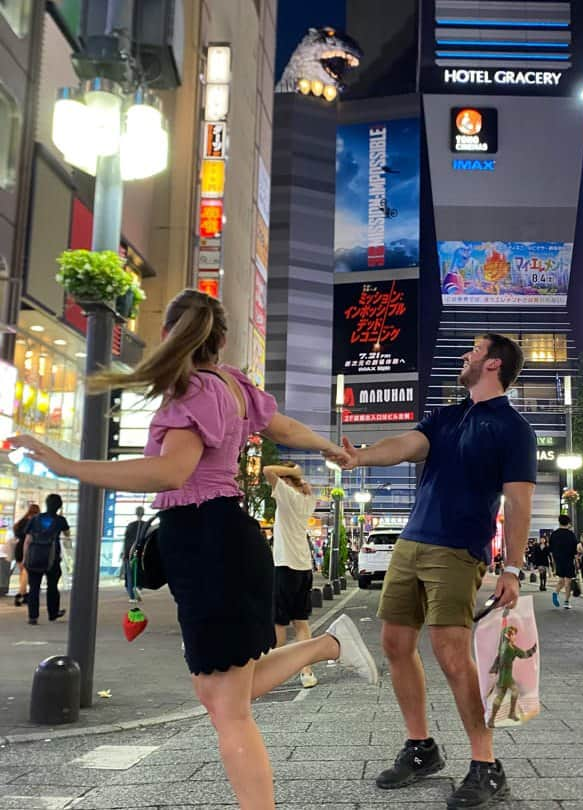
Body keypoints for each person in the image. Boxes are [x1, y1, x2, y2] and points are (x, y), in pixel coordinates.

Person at [11, 288, 378, 810]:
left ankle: (324, 655)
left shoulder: (195, 392)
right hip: (220, 538)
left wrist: (68, 466)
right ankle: (328, 644)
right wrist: (330, 446)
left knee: (228, 708)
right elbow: (285, 426)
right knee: (221, 692)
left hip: (210, 541)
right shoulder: (233, 384)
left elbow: (171, 471)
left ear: (169, 335)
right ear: (222, 340)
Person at [325, 333, 536, 809]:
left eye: (475, 350)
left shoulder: (514, 428)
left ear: (494, 364)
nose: (466, 355)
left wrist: (513, 568)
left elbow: (519, 500)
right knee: (395, 643)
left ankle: (486, 764)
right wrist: (358, 455)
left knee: (451, 652)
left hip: (457, 549)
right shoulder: (447, 415)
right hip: (412, 542)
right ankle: (421, 749)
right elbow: (406, 444)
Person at [263, 462, 319, 689]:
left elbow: (267, 470)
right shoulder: (307, 499)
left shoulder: (287, 495)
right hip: (304, 567)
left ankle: (275, 673)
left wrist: (292, 472)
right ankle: (307, 673)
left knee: (279, 623)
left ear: (286, 479)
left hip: (285, 566)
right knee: (301, 623)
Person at [23, 494, 69, 625]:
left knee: (34, 588)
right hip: (52, 559)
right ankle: (53, 614)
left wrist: (25, 559)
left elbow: (27, 540)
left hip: (34, 557)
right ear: (59, 506)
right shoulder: (60, 520)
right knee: (52, 587)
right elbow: (67, 534)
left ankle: (33, 617)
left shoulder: (35, 519)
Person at [486, 625, 537, 728]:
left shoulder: (504, 646)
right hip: (506, 676)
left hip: (504, 674)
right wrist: (534, 648)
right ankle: (509, 714)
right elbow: (524, 654)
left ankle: (493, 719)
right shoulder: (510, 648)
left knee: (502, 695)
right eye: (513, 634)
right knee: (513, 692)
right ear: (507, 635)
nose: (515, 637)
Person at [12, 503, 38, 606]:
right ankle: (20, 595)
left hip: (19, 548)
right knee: (26, 573)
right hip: (27, 549)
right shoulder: (32, 523)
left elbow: (16, 533)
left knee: (22, 573)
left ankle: (24, 595)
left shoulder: (21, 521)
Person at [549, 515, 578, 609]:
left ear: (559, 522)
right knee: (568, 582)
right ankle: (566, 601)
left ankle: (555, 592)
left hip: (558, 560)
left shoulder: (554, 534)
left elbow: (551, 549)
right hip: (569, 559)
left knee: (561, 579)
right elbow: (575, 550)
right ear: (568, 523)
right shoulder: (571, 534)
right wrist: (577, 562)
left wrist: (553, 562)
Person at [122, 506, 147, 601]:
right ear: (143, 513)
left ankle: (132, 595)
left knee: (129, 574)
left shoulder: (130, 525)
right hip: (142, 553)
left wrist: (124, 553)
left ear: (135, 513)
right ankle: (139, 588)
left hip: (130, 552)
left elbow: (126, 540)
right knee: (141, 571)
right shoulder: (146, 525)